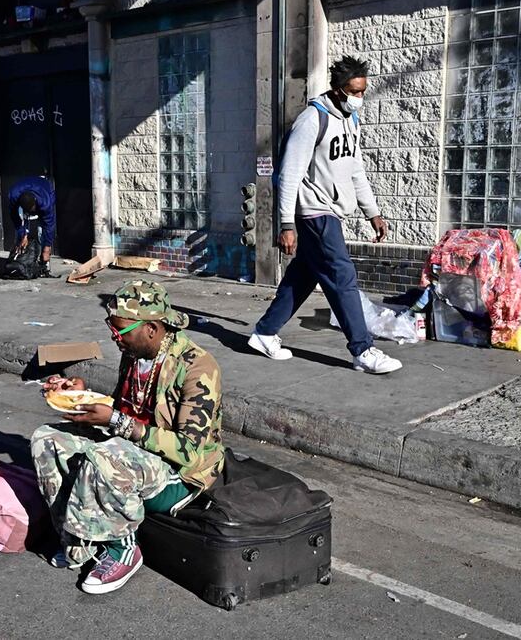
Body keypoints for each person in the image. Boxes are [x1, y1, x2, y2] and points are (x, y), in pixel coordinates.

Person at [32, 279, 226, 595]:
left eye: (120, 329)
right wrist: (80, 394)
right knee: (48, 439)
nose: (114, 335)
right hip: (134, 448)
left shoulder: (197, 367)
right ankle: (80, 539)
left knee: (103, 458)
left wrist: (118, 423)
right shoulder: (135, 352)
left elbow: (189, 450)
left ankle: (122, 549)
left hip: (181, 474)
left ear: (151, 328)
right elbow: (126, 408)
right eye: (111, 325)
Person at [249, 55, 402, 374]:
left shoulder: (351, 121)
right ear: (337, 89)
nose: (359, 97)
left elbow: (356, 171)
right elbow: (289, 175)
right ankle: (363, 349)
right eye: (354, 91)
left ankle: (264, 333)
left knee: (302, 277)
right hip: (315, 212)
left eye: (363, 91)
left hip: (332, 212)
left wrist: (372, 212)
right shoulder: (311, 120)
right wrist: (286, 223)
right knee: (342, 275)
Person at [7, 172, 56, 277]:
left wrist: (47, 247)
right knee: (20, 234)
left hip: (45, 188)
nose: (31, 213)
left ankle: (44, 264)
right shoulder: (13, 196)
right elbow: (15, 217)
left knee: (42, 230)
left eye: (32, 210)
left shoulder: (45, 202)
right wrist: (23, 235)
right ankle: (22, 260)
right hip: (23, 189)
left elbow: (49, 225)